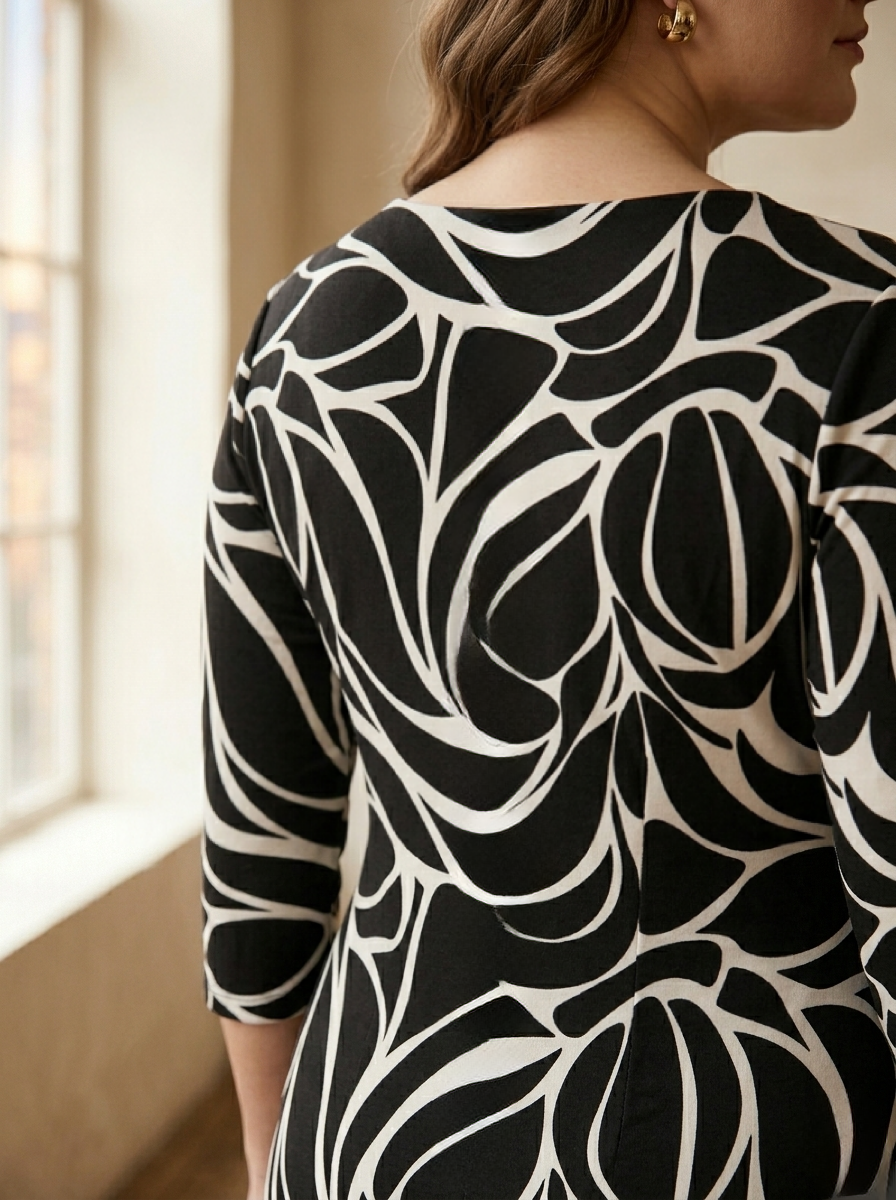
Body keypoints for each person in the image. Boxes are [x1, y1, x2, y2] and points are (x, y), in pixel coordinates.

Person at [201, 0, 896, 1195]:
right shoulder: (853, 326)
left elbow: (262, 828)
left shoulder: (305, 328)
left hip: (380, 1132)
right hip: (747, 1142)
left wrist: (277, 1159)